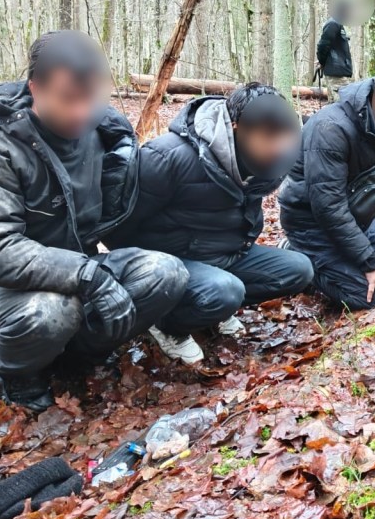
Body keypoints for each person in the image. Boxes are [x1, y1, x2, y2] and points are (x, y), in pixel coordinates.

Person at [0, 31, 188, 411]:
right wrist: (88, 276)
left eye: (90, 99)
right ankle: (9, 370)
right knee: (51, 311)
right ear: (34, 88)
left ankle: (75, 356)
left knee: (165, 273)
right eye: (67, 99)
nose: (80, 112)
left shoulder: (101, 134)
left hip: (76, 271)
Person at [105, 84, 313, 365]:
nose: (276, 147)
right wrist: (152, 281)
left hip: (225, 252)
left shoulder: (268, 160)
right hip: (170, 263)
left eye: (282, 137)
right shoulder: (168, 157)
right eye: (267, 137)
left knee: (299, 269)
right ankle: (167, 324)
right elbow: (119, 226)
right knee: (224, 291)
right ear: (237, 127)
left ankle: (211, 307)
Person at [279, 65, 375, 311]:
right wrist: (371, 263)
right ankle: (296, 254)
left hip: (357, 215)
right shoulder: (330, 129)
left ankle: (348, 261)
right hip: (313, 226)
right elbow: (329, 208)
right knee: (372, 298)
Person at [316, 0, 354, 99]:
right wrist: (322, 61)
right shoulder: (333, 24)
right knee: (342, 104)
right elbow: (323, 45)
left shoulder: (339, 24)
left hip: (339, 71)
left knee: (335, 106)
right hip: (336, 74)